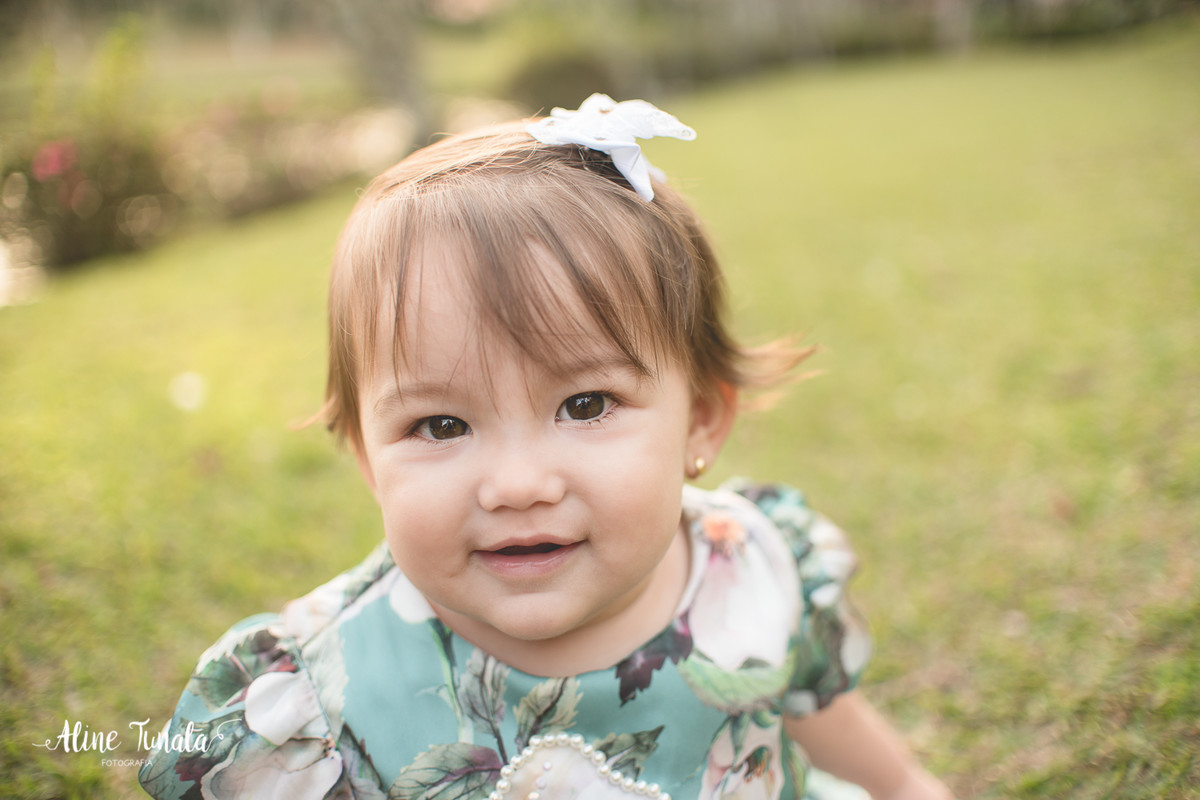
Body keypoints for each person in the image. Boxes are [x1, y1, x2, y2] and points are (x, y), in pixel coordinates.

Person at [139, 94, 954, 800]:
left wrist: (908, 787)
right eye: (441, 426)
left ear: (701, 420)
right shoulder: (325, 694)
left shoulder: (755, 568)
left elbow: (826, 725)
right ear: (365, 457)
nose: (518, 485)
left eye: (585, 403)